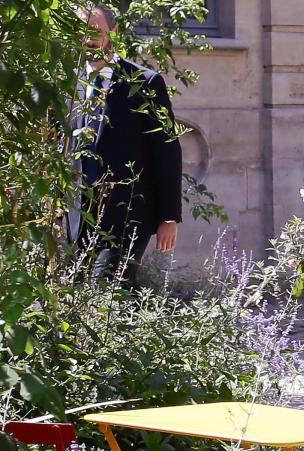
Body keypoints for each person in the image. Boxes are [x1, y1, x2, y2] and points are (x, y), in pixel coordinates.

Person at [73, 3, 182, 286]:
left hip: (128, 212)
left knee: (109, 287)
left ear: (113, 32)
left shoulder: (145, 83)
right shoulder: (67, 85)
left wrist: (169, 217)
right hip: (77, 214)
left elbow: (167, 151)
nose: (88, 39)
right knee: (78, 290)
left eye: (95, 31)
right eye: (80, 31)